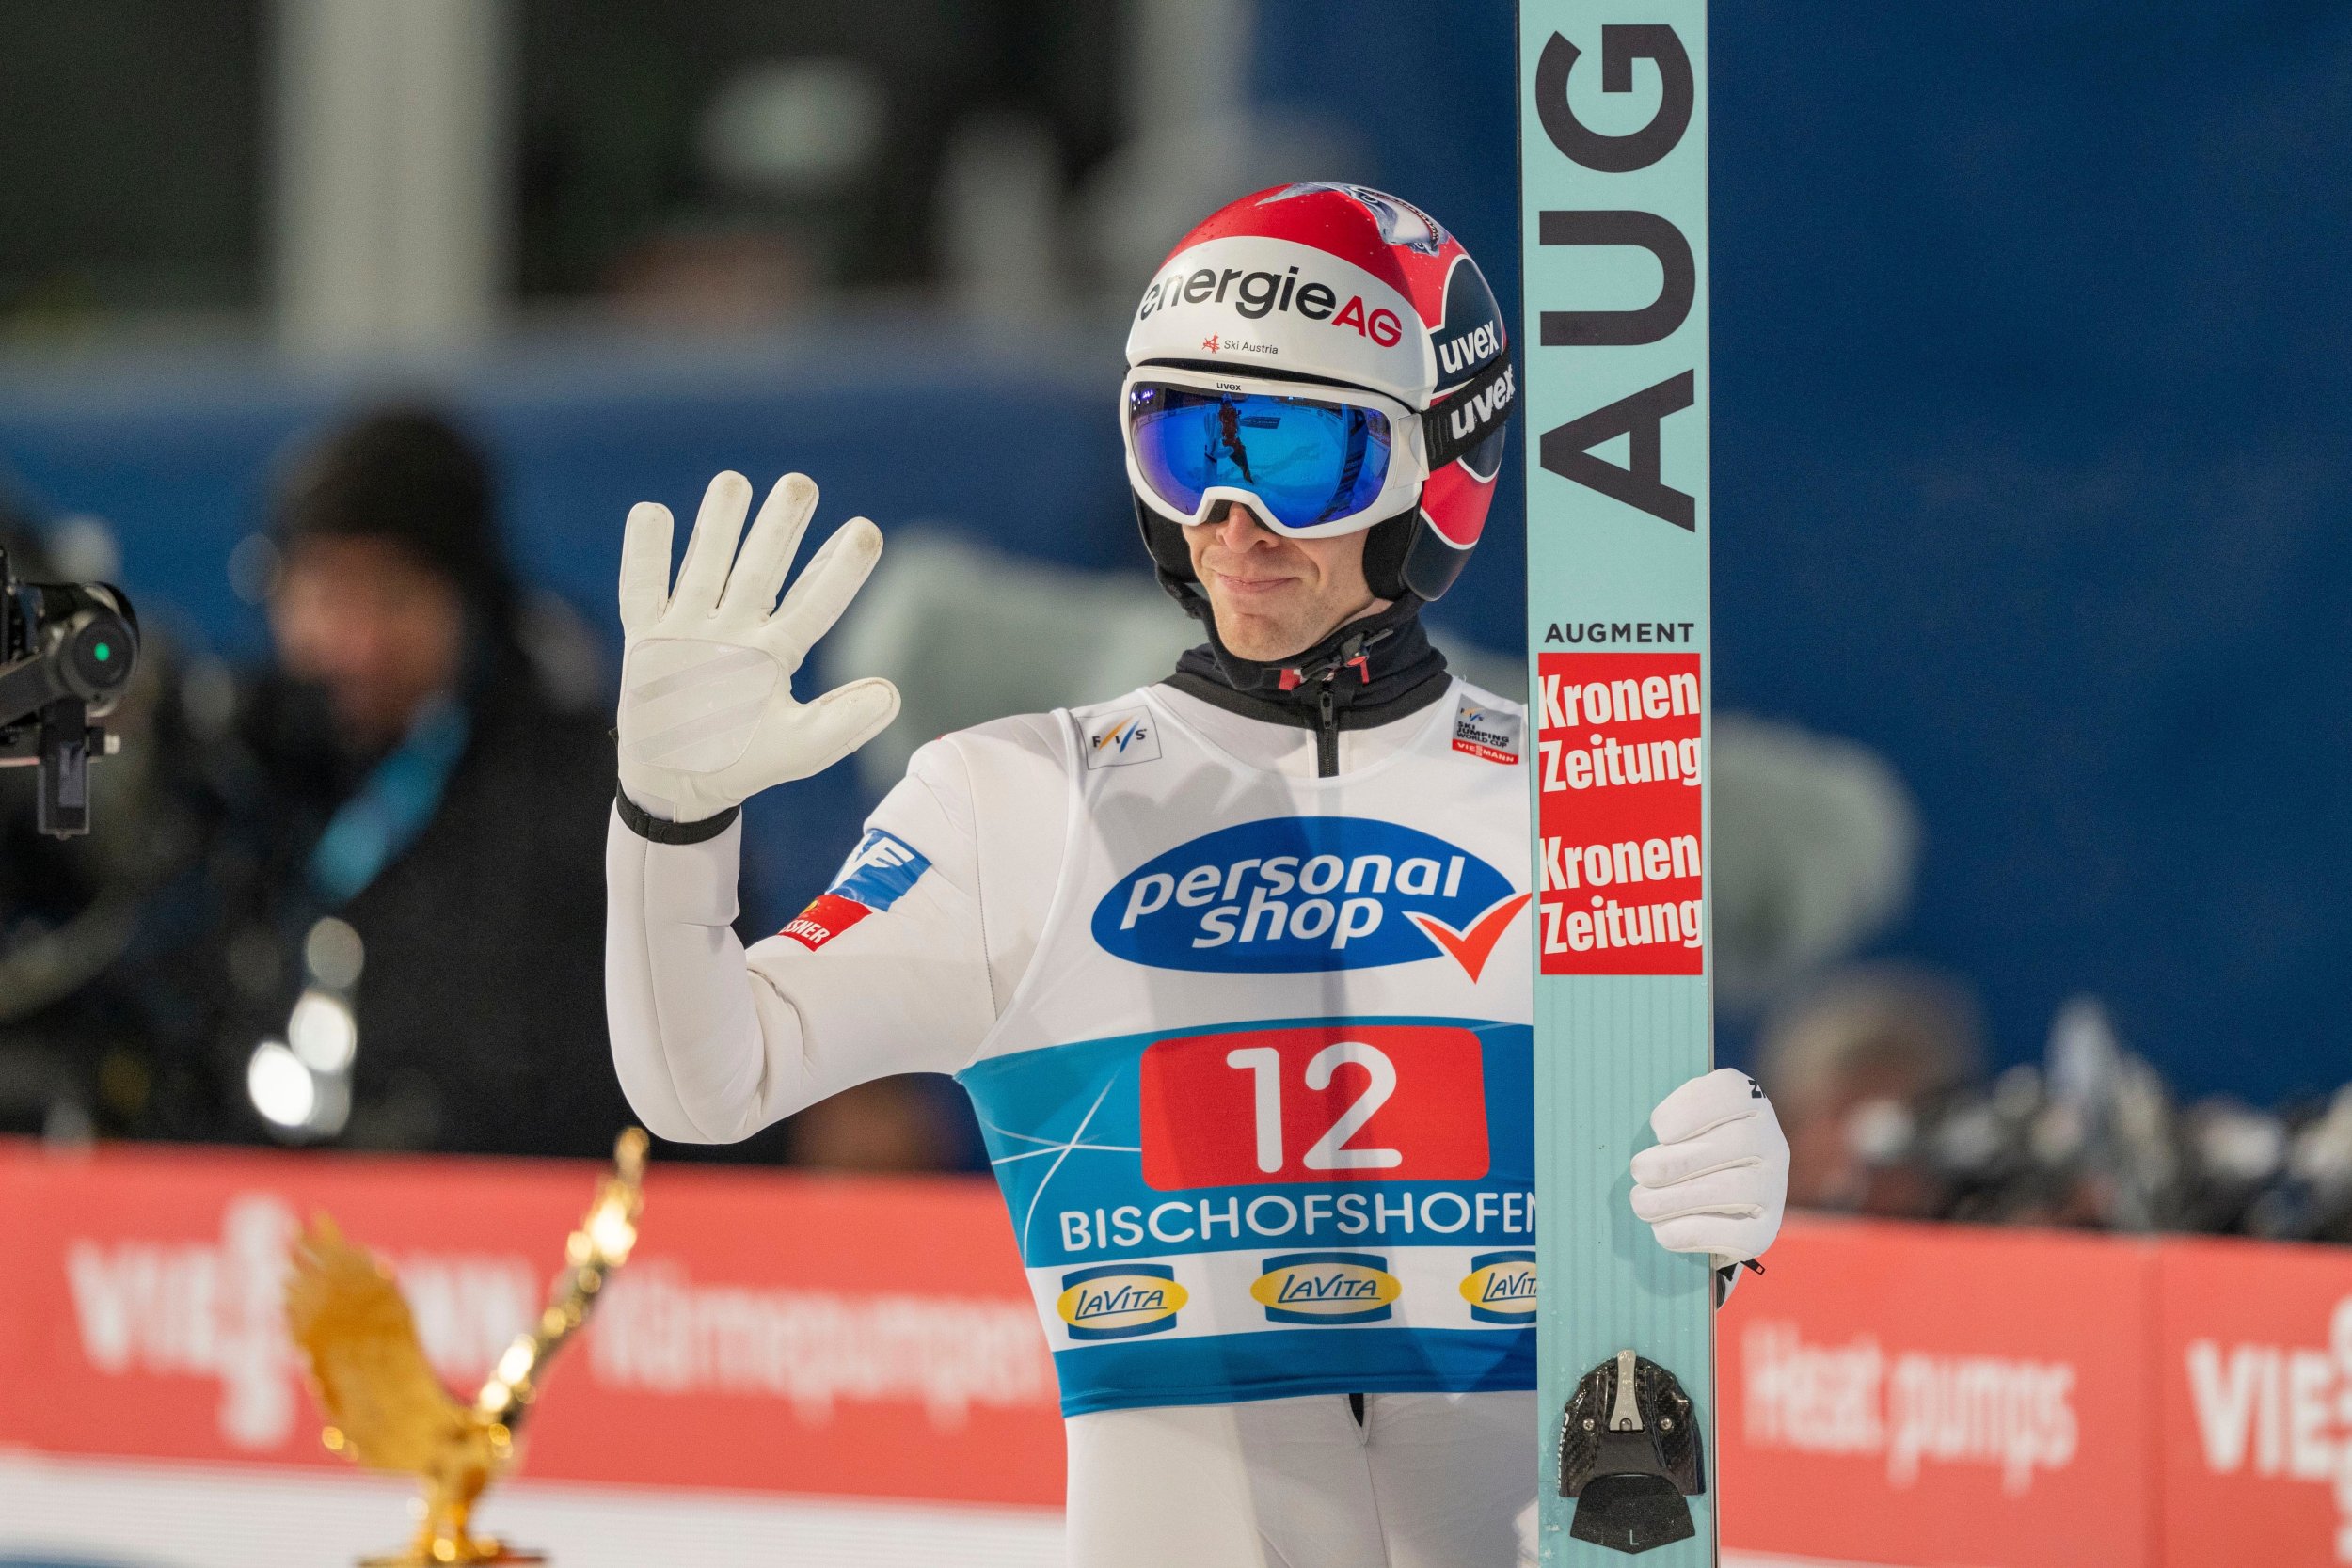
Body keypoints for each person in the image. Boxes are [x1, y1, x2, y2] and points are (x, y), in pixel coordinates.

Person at [606, 185, 1788, 1566]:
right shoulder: (1018, 801)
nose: (1233, 518)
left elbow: (1649, 1224)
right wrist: (667, 827)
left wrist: (1721, 1213)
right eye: (1184, 446)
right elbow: (705, 1079)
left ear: (1439, 470)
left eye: (1298, 455)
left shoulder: (1586, 797)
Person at [203, 406, 629, 1156]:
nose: (354, 645)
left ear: (469, 601)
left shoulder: (588, 801)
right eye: (327, 594)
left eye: (392, 596)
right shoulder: (238, 780)